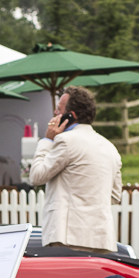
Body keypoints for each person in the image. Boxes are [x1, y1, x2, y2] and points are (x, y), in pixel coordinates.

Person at [28, 86, 122, 254]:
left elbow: (36, 176)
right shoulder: (110, 147)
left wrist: (47, 140)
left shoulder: (64, 141)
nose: (55, 113)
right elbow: (115, 196)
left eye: (58, 110)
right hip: (102, 237)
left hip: (67, 237)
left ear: (71, 115)